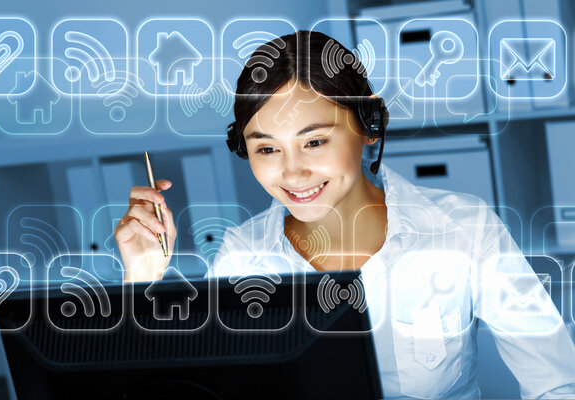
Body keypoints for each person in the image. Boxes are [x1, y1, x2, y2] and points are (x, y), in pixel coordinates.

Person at [115, 30, 575, 398]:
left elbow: (558, 384)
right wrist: (142, 282)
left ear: (368, 128)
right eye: (268, 148)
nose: (292, 172)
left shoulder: (465, 229)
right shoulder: (243, 258)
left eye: (315, 141)